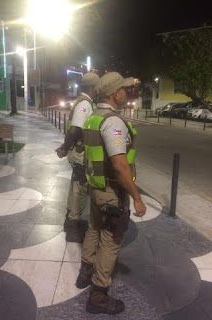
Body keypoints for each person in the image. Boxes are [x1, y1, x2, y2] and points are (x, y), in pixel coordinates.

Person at [76, 72, 147, 314]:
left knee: (94, 229)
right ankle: (98, 295)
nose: (127, 92)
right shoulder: (113, 122)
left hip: (96, 187)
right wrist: (137, 198)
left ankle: (85, 272)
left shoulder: (94, 117)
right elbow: (119, 165)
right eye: (125, 89)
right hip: (111, 191)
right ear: (115, 93)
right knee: (111, 240)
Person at [56, 72, 100, 243]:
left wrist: (66, 148)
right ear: (93, 87)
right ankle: (73, 225)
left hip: (77, 151)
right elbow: (75, 129)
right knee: (80, 189)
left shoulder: (82, 101)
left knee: (75, 185)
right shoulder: (84, 104)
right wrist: (65, 148)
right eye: (97, 86)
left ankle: (70, 220)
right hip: (80, 153)